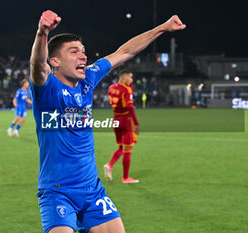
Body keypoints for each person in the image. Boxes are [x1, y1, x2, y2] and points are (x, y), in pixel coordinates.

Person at [30, 10, 185, 233]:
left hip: (92, 191)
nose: (83, 56)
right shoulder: (47, 88)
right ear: (55, 61)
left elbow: (124, 52)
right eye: (74, 52)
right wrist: (42, 33)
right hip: (58, 192)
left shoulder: (88, 79)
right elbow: (37, 65)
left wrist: (162, 27)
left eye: (83, 52)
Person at [104, 70, 140, 184]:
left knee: (121, 148)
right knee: (128, 150)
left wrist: (130, 83)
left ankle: (109, 165)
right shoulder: (126, 90)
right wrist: (136, 123)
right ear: (124, 77)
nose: (132, 80)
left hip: (116, 119)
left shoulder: (111, 88)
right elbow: (130, 107)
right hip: (126, 120)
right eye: (130, 77)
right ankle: (125, 177)